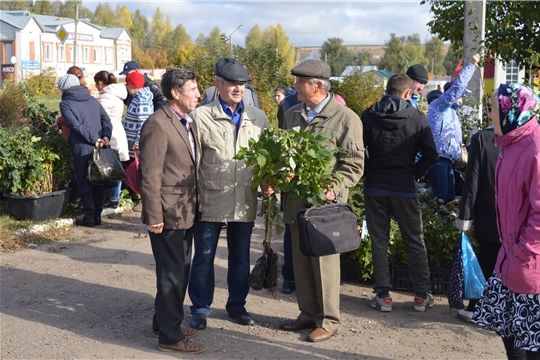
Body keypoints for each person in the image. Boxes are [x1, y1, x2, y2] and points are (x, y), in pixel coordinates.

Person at [279, 60, 364, 342]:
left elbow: (353, 164)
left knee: (325, 263)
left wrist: (334, 187)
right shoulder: (290, 114)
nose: (295, 86)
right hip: (296, 203)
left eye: (300, 81)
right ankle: (307, 314)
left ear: (318, 86)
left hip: (325, 208)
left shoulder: (345, 118)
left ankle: (328, 320)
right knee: (301, 261)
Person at [188, 58, 269, 330]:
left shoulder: (258, 118)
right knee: (204, 256)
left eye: (242, 84)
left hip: (244, 197)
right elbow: (193, 160)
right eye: (232, 83)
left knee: (240, 256)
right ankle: (200, 307)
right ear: (217, 84)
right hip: (210, 197)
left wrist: (269, 184)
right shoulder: (201, 117)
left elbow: (266, 158)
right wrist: (193, 198)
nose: (238, 89)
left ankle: (237, 306)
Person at [139, 68, 206, 354]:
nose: (198, 94)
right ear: (176, 93)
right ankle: (169, 337)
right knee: (171, 275)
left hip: (185, 211)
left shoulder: (184, 121)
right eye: (193, 89)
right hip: (166, 214)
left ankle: (164, 323)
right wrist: (154, 216)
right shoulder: (158, 123)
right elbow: (149, 175)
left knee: (178, 272)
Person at [473, 83, 540, 360]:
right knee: (508, 331)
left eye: (492, 109)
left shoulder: (535, 147)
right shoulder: (511, 141)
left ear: (510, 110)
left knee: (530, 345)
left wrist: (523, 251)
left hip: (529, 264)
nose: (489, 115)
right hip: (510, 258)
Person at [361, 74, 439, 313]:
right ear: (408, 94)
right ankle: (421, 296)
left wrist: (369, 171)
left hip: (375, 187)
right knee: (414, 241)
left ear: (386, 90)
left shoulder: (368, 115)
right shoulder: (417, 117)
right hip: (404, 188)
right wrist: (413, 173)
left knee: (379, 241)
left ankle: (383, 296)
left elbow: (358, 149)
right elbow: (431, 155)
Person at [454, 121, 500, 322]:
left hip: (488, 211)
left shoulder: (482, 138)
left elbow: (472, 181)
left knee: (486, 258)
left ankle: (476, 307)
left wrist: (465, 216)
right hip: (518, 213)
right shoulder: (527, 137)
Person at [58, 74, 112, 227]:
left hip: (82, 146)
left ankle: (89, 216)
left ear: (63, 89)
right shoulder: (93, 99)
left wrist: (94, 139)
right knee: (100, 178)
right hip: (101, 144)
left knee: (85, 178)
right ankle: (97, 216)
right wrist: (105, 136)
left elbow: (75, 126)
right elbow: (106, 120)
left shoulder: (66, 104)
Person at [427, 53, 480, 203]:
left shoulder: (452, 113)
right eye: (460, 96)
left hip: (448, 161)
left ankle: (444, 224)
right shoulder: (440, 106)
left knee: (449, 200)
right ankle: (437, 224)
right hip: (439, 160)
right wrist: (471, 65)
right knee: (441, 201)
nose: (462, 99)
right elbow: (457, 87)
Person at [93, 70, 130, 208]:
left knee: (111, 166)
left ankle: (112, 198)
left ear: (100, 83)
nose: (96, 87)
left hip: (110, 133)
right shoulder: (118, 93)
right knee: (116, 165)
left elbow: (101, 117)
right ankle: (114, 197)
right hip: (117, 131)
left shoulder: (107, 97)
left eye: (96, 84)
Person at [123, 71, 154, 158]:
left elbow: (144, 122)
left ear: (132, 85)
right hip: (132, 144)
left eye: (127, 84)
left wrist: (137, 141)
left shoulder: (142, 99)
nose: (126, 87)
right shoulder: (138, 97)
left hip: (135, 147)